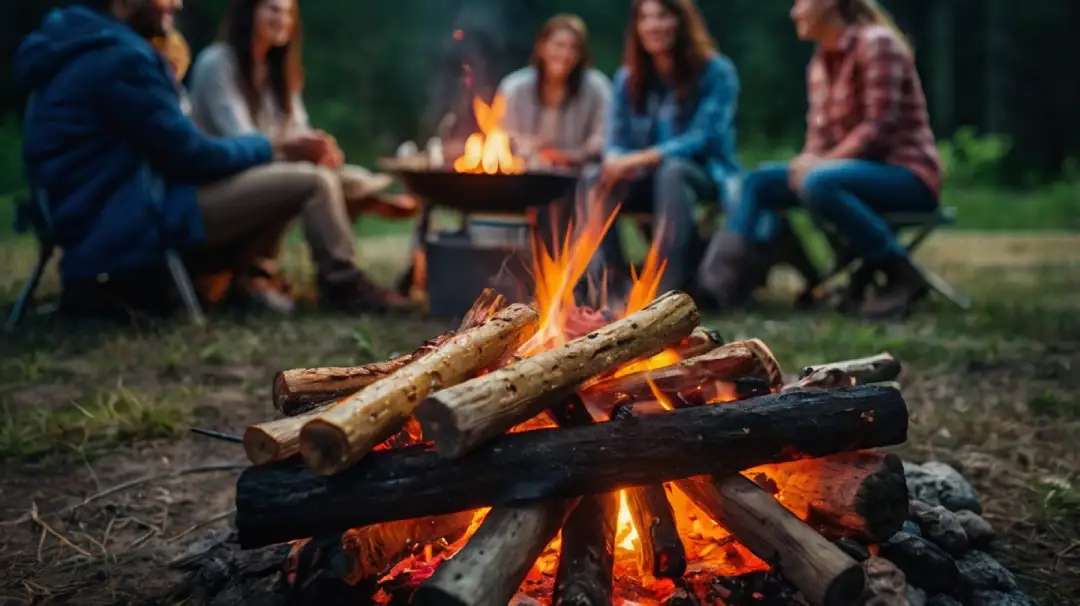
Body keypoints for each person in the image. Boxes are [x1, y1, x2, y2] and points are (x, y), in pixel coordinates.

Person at [15, 0, 412, 316]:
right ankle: (344, 285)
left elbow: (174, 146)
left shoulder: (84, 47)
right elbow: (191, 155)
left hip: (99, 207)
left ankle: (252, 278)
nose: (177, 4)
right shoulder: (122, 60)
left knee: (308, 175)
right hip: (131, 211)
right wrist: (273, 147)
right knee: (312, 180)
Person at [698, 0, 942, 319]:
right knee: (760, 181)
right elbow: (818, 136)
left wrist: (820, 165)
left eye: (800, 3)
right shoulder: (820, 61)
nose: (794, 12)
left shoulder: (877, 44)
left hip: (905, 176)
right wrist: (807, 160)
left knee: (818, 181)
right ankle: (722, 282)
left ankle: (901, 274)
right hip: (838, 175)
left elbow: (879, 128)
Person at [188, 0, 416, 232]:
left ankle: (371, 195)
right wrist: (293, 148)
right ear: (248, 12)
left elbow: (297, 128)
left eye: (288, 13)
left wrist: (318, 147)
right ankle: (355, 235)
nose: (283, 21)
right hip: (221, 184)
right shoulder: (217, 62)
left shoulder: (277, 70)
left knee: (340, 173)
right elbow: (241, 139)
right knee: (316, 180)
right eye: (273, 10)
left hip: (267, 170)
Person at [581, 0, 740, 298]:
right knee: (595, 178)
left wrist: (646, 156)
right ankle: (611, 287)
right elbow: (616, 139)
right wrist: (615, 161)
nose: (654, 25)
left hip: (702, 172)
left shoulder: (716, 71)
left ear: (681, 22)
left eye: (663, 16)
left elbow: (704, 137)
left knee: (673, 170)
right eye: (645, 18)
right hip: (645, 176)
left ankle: (667, 289)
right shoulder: (628, 78)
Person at [497, 14, 611, 168]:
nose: (565, 54)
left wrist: (565, 156)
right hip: (523, 173)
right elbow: (500, 135)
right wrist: (522, 145)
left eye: (573, 48)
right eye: (559, 45)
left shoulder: (598, 88)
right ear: (541, 47)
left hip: (579, 176)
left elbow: (604, 138)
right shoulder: (514, 88)